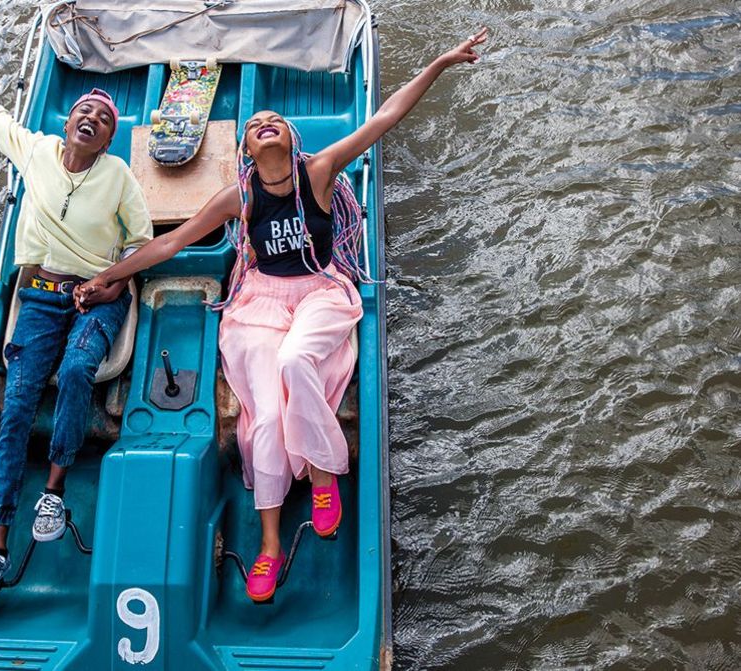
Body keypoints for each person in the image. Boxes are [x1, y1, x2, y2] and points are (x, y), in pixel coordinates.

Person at [76, 29, 488, 602]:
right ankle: (269, 545)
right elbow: (172, 246)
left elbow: (384, 117)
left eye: (275, 119)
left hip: (320, 290)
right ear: (246, 149)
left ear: (293, 140)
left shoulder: (318, 172)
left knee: (298, 360)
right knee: (264, 416)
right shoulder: (239, 197)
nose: (263, 122)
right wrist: (110, 277)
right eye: (253, 124)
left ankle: (324, 475)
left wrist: (439, 61)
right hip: (260, 301)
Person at [0, 60, 153, 598]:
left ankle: (54, 488)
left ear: (110, 138)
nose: (90, 119)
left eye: (103, 118)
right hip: (41, 297)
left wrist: (114, 284)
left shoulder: (119, 176)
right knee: (18, 402)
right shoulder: (38, 151)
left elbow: (139, 243)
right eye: (82, 112)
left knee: (75, 370)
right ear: (68, 124)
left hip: (97, 295)